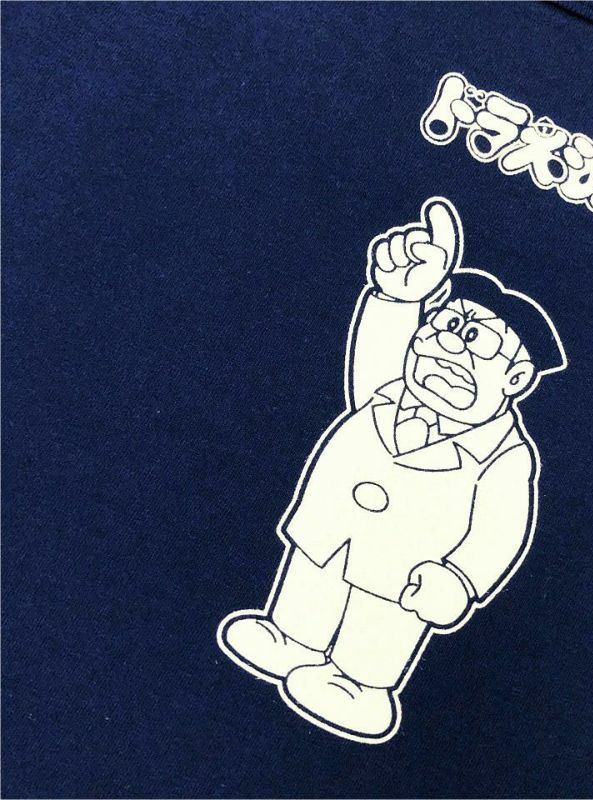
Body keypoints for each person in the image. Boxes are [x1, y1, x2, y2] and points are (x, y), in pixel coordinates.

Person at [217, 197, 567, 742]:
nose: (448, 346)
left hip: (406, 571)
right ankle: (291, 637)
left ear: (516, 379)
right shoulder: (390, 388)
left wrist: (461, 580)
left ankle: (359, 685)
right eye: (446, 325)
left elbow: (500, 530)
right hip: (329, 533)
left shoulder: (504, 456)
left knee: (379, 625)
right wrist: (396, 299)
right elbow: (379, 350)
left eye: (476, 341)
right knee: (310, 583)